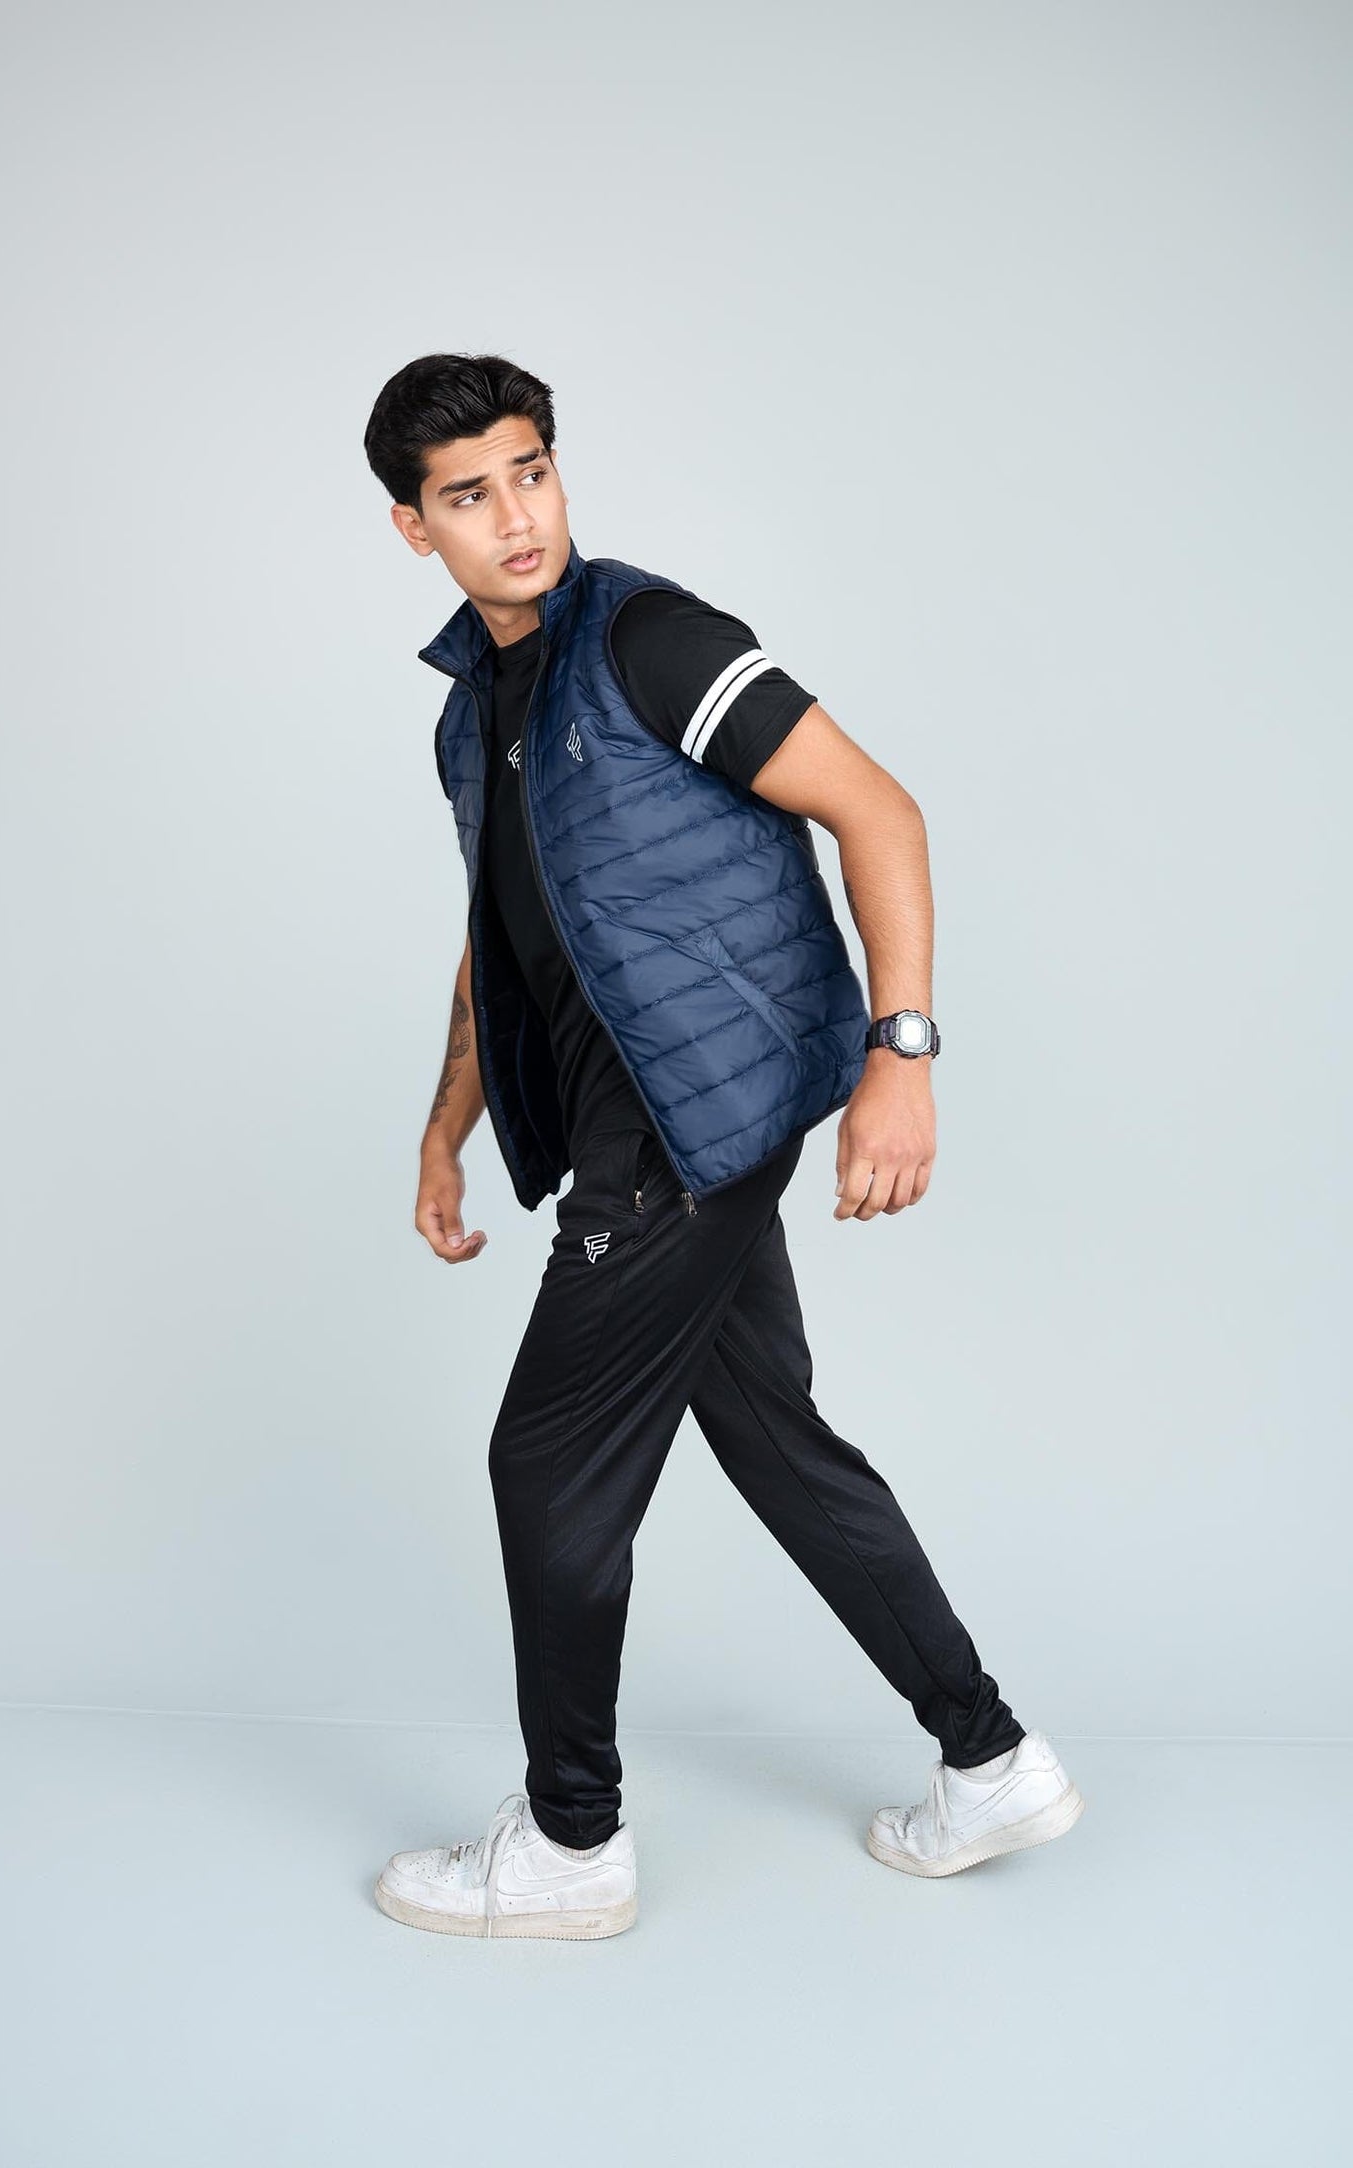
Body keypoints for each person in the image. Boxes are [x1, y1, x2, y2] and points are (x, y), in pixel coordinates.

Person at [361, 353, 1084, 1940]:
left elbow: (877, 809)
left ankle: (570, 1845)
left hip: (682, 1123)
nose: (516, 516)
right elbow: (504, 938)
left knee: (545, 1463)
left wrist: (901, 1058)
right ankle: (988, 1760)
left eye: (531, 471)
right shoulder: (476, 714)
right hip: (663, 1119)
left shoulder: (648, 639)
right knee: (772, 1436)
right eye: (469, 494)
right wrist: (443, 1129)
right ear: (415, 527)